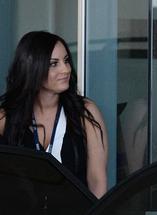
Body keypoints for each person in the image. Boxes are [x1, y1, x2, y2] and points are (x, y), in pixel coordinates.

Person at [0, 31, 108, 198]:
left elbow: (97, 181)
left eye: (66, 61)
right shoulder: (6, 117)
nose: (65, 69)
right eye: (53, 64)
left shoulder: (85, 112)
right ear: (32, 67)